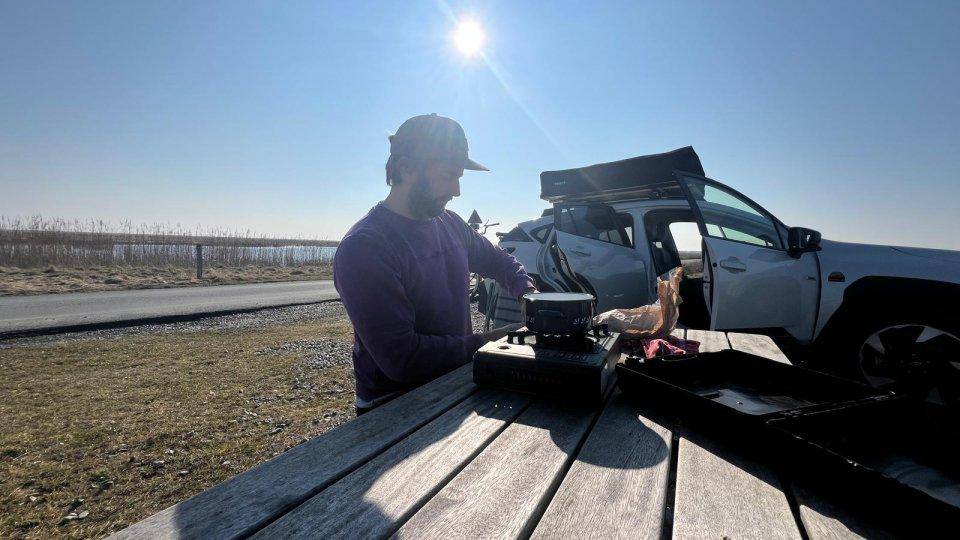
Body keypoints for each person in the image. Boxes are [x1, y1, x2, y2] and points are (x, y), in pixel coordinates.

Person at [334, 114, 537, 415]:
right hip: (393, 406)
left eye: (459, 177)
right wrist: (497, 340)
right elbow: (402, 359)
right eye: (447, 176)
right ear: (405, 168)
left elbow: (499, 261)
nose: (457, 191)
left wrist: (528, 295)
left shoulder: (451, 224)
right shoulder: (365, 247)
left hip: (455, 381)